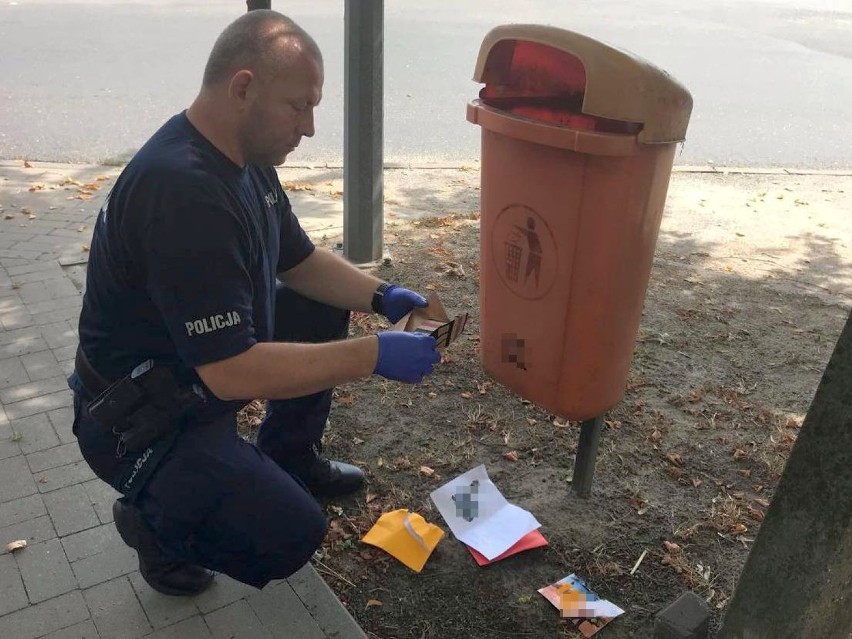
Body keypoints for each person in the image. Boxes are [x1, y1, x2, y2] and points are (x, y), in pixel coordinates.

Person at [68, 9, 441, 597]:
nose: (311, 127)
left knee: (314, 304)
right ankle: (153, 522)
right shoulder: (183, 193)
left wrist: (382, 296)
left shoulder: (246, 162)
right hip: (137, 418)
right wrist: (373, 354)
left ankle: (288, 454)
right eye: (299, 106)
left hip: (192, 375)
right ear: (243, 88)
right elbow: (231, 371)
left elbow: (300, 261)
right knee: (289, 532)